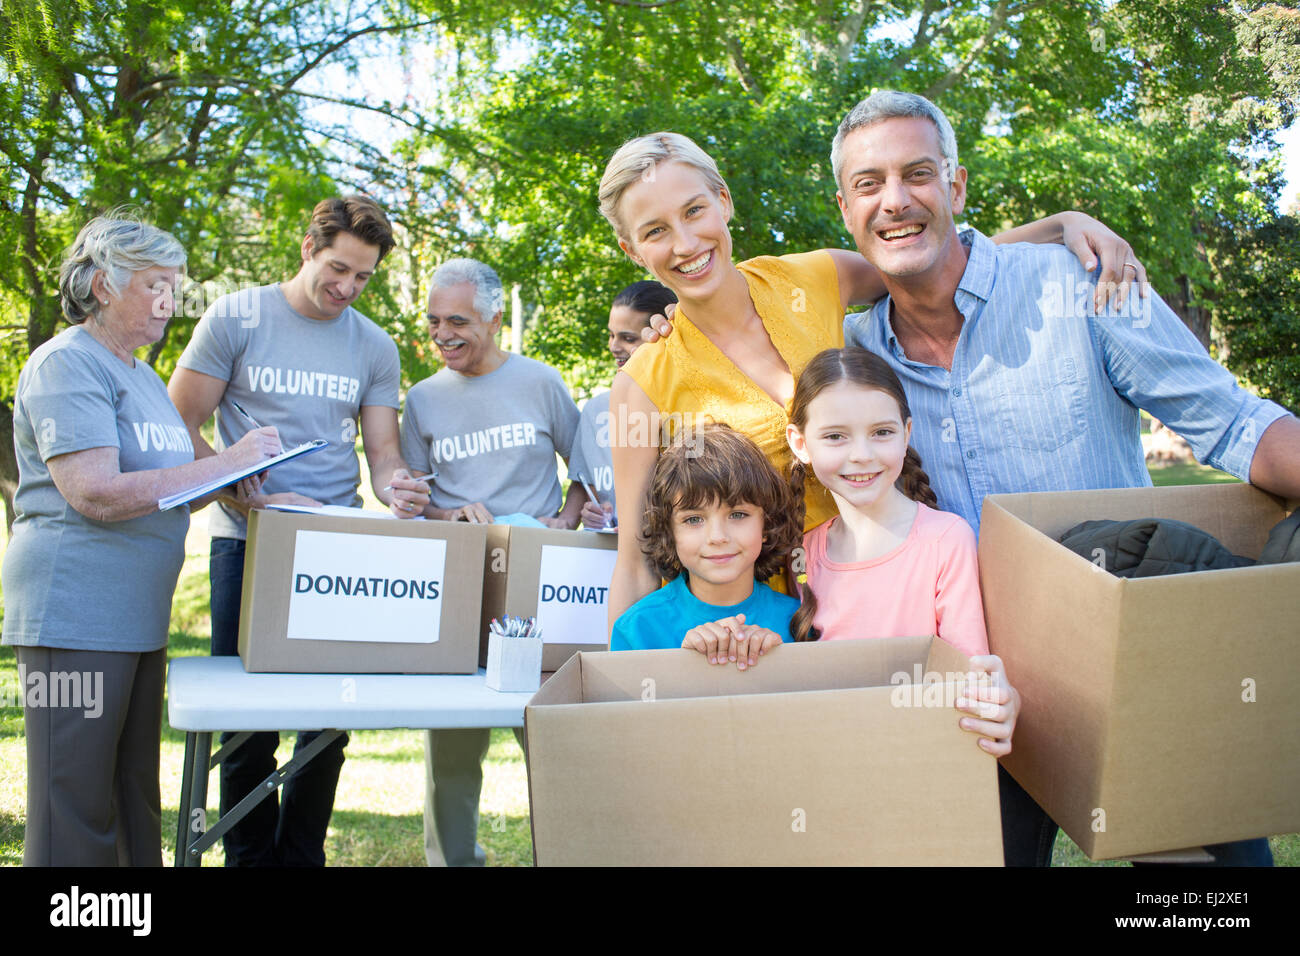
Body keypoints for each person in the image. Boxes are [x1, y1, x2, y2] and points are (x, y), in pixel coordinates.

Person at [832, 90, 1300, 865]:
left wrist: (1062, 231)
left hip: (1129, 664)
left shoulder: (1078, 286)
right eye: (870, 183)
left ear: (958, 186)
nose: (896, 200)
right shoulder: (848, 355)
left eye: (918, 174)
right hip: (968, 697)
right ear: (845, 206)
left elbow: (1233, 422)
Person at [599, 131, 1148, 632]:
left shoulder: (809, 280)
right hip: (764, 629)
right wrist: (620, 695)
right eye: (655, 231)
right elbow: (635, 560)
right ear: (632, 250)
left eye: (694, 210)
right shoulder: (640, 388)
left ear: (723, 201)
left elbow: (934, 267)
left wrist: (1057, 226)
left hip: (898, 587)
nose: (685, 243)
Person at [2, 213, 281, 866]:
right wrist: (224, 462)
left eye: (175, 286)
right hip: (71, 617)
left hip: (136, 618)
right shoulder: (65, 365)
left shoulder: (146, 378)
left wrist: (244, 473)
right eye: (157, 285)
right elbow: (95, 491)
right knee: (72, 804)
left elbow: (187, 480)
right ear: (102, 285)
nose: (171, 302)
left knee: (132, 799)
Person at [168, 195, 431, 867]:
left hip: (335, 550)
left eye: (364, 277)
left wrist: (398, 484)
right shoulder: (237, 316)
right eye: (338, 268)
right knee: (247, 726)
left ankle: (300, 859)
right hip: (247, 543)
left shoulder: (373, 344)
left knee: (327, 723)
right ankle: (249, 859)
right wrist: (237, 487)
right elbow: (178, 423)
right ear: (308, 247)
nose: (347, 288)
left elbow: (383, 457)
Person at [399, 256, 584, 867]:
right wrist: (443, 517)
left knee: (549, 740)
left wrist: (568, 515)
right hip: (458, 585)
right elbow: (411, 500)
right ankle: (452, 862)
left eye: (458, 320)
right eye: (432, 322)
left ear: (494, 318)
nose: (443, 334)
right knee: (450, 749)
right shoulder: (422, 400)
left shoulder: (540, 382)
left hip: (534, 586)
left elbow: (586, 462)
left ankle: (573, 852)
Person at [610, 423, 801, 665]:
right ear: (669, 531)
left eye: (738, 515)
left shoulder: (798, 623)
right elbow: (626, 702)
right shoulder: (637, 631)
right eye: (693, 519)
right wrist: (685, 666)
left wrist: (779, 662)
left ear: (767, 522)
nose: (717, 536)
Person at [571, 280, 677, 530]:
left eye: (627, 338)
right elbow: (593, 493)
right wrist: (593, 514)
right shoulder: (595, 411)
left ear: (661, 334)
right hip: (607, 558)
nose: (613, 347)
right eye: (611, 335)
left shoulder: (692, 409)